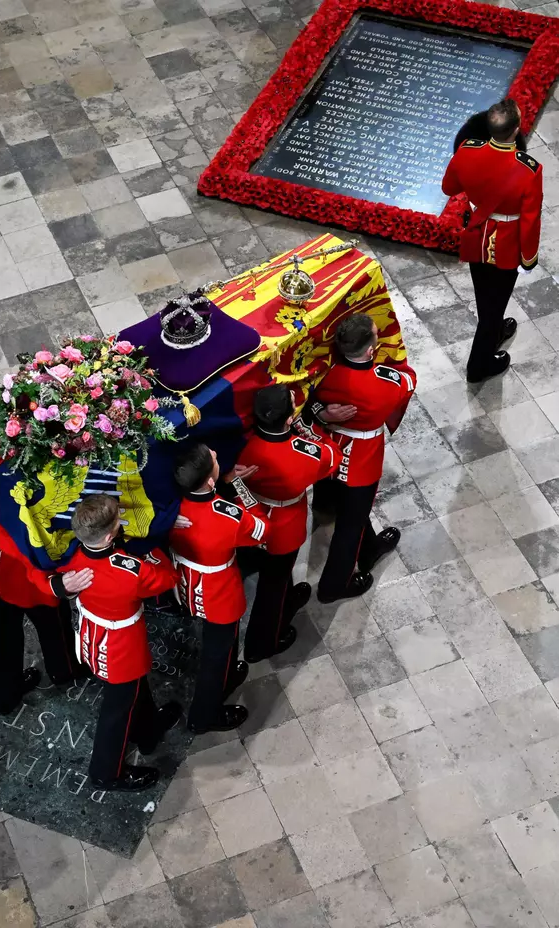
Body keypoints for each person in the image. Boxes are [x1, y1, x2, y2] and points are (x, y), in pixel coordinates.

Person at [66, 494, 181, 792]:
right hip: (121, 647)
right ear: (108, 535)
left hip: (92, 632)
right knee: (117, 710)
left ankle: (148, 729)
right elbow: (166, 579)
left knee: (134, 693)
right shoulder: (129, 569)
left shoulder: (71, 554)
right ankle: (106, 772)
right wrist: (150, 548)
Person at [307, 314, 416, 603]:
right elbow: (408, 379)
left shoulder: (325, 373)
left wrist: (321, 412)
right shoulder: (383, 382)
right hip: (362, 460)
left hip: (328, 449)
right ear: (370, 350)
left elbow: (306, 398)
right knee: (349, 526)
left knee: (349, 510)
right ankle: (334, 586)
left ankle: (369, 550)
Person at [0, 465, 92, 716]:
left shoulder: (3, 498)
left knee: (3, 634)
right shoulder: (47, 508)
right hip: (35, 584)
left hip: (0, 575)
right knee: (54, 628)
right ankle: (65, 670)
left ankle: (5, 695)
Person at [442, 97, 543, 383]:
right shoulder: (528, 170)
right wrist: (529, 257)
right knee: (493, 305)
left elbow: (449, 187)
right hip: (507, 243)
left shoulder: (466, 150)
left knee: (485, 295)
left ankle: (495, 329)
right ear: (516, 130)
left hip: (476, 234)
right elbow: (530, 218)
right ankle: (479, 365)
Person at [170, 444, 268, 734]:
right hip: (220, 591)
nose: (216, 454)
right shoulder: (228, 515)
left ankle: (225, 679)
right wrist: (238, 487)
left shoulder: (172, 508)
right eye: (214, 458)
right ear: (211, 480)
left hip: (187, 580)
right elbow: (262, 529)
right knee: (218, 654)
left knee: (220, 651)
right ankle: (205, 715)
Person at [237, 384, 340, 661]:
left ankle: (285, 603)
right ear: (288, 419)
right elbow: (331, 456)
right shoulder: (304, 451)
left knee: (262, 573)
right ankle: (263, 643)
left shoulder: (243, 443)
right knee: (274, 585)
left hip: (249, 514)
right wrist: (308, 430)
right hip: (284, 524)